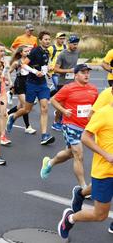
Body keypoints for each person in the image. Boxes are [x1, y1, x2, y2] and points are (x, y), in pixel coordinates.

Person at [57, 96, 113, 239]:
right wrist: (107, 155)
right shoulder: (104, 113)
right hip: (105, 172)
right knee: (100, 215)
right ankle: (70, 219)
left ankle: (81, 193)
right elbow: (85, 137)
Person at [40, 64, 98, 188]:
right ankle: (83, 187)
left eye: (88, 72)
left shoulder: (93, 89)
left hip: (86, 128)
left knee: (70, 153)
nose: (86, 75)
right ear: (76, 75)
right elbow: (54, 100)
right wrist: (64, 110)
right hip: (71, 125)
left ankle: (50, 163)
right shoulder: (68, 88)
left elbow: (96, 107)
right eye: (83, 72)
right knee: (79, 155)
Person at [7, 31, 55, 145]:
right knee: (27, 109)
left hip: (42, 84)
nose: (48, 41)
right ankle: (13, 117)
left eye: (49, 39)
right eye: (45, 39)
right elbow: (24, 64)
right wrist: (35, 71)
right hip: (32, 84)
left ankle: (44, 136)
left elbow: (43, 65)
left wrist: (47, 71)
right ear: (40, 40)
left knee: (44, 108)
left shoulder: (47, 52)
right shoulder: (34, 51)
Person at [51, 35, 80, 131]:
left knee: (71, 103)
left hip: (73, 82)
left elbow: (75, 65)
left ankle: (66, 120)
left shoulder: (77, 52)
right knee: (62, 105)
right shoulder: (63, 54)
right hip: (63, 82)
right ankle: (56, 122)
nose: (75, 46)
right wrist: (69, 71)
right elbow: (56, 69)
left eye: (77, 44)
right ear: (68, 43)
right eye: (74, 44)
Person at [8, 45, 37, 135]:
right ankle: (28, 127)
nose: (27, 53)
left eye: (28, 51)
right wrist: (10, 82)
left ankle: (7, 114)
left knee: (19, 107)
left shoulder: (29, 61)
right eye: (25, 51)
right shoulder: (17, 62)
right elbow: (9, 72)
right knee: (26, 107)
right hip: (19, 84)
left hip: (28, 84)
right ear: (20, 53)